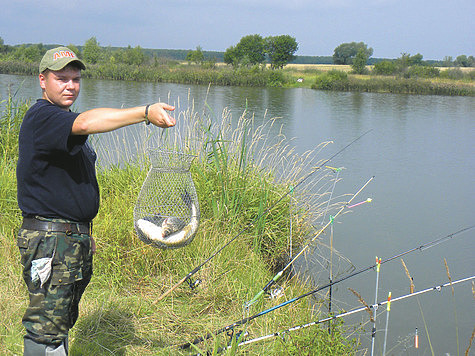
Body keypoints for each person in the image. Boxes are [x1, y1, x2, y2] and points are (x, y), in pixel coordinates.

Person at [16, 46, 176, 355]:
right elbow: (88, 122)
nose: (70, 86)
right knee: (44, 329)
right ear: (42, 80)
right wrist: (144, 113)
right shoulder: (43, 117)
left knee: (58, 320)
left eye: (75, 79)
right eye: (61, 78)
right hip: (51, 242)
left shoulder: (60, 121)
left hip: (68, 240)